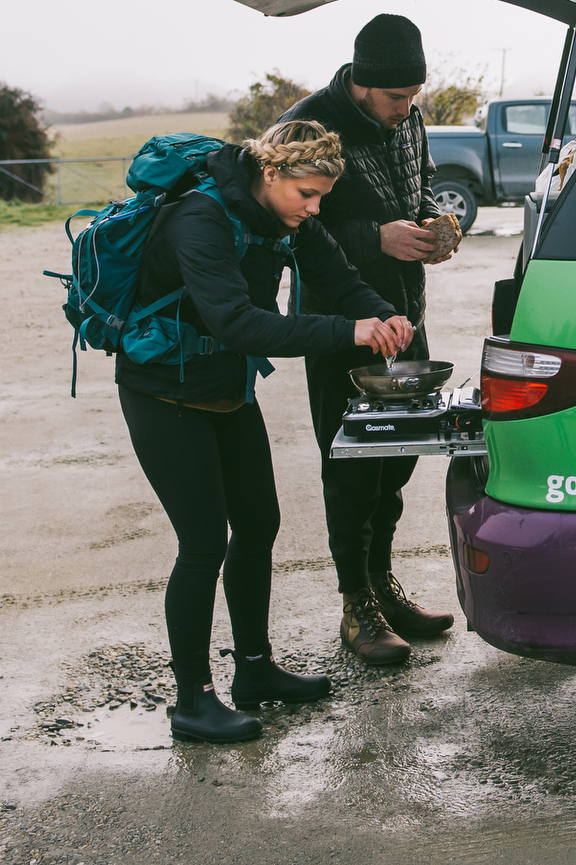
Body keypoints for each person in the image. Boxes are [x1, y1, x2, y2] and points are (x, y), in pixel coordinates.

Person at [117, 119, 415, 743]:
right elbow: (240, 325)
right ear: (270, 172)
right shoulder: (199, 219)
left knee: (258, 525)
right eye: (305, 194)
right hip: (164, 393)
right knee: (202, 542)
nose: (312, 209)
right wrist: (349, 332)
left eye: (322, 199)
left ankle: (254, 672)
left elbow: (335, 278)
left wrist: (381, 311)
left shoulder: (288, 219)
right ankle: (192, 700)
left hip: (225, 390)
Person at [280, 13, 457, 665]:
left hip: (406, 318)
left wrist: (435, 221)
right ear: (360, 83)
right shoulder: (307, 128)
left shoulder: (406, 115)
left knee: (398, 463)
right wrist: (375, 238)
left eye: (414, 98)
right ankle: (356, 608)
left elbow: (424, 179)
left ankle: (383, 588)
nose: (407, 109)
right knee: (352, 468)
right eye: (395, 99)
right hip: (342, 331)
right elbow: (290, 230)